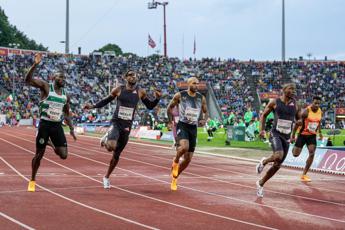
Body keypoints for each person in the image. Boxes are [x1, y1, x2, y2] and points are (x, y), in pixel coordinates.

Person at [83, 70, 162, 189]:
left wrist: (157, 99)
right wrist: (93, 106)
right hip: (116, 122)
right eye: (130, 75)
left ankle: (106, 177)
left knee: (116, 155)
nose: (133, 76)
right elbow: (105, 101)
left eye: (134, 75)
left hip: (127, 126)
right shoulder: (118, 89)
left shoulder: (140, 92)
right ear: (126, 78)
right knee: (111, 146)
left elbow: (149, 106)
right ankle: (107, 138)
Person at [25, 53, 77, 192]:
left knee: (64, 155)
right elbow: (28, 80)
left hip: (56, 126)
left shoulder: (66, 95)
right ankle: (32, 180)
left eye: (64, 77)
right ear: (53, 78)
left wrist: (71, 128)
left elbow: (66, 112)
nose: (62, 79)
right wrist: (35, 65)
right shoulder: (46, 87)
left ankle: (51, 142)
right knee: (39, 155)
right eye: (60, 77)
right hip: (44, 125)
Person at [255, 83, 301, 198]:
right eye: (291, 89)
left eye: (294, 89)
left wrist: (298, 125)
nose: (293, 91)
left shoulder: (296, 105)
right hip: (275, 133)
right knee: (278, 155)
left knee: (277, 164)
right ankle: (264, 161)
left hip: (286, 137)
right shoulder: (274, 102)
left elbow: (299, 119)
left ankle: (261, 183)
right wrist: (262, 130)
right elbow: (264, 116)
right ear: (284, 90)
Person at [167, 77, 208, 191]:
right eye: (194, 83)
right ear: (188, 84)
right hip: (183, 125)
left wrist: (204, 120)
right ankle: (175, 161)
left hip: (193, 128)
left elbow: (206, 111)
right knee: (184, 147)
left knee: (188, 159)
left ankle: (175, 178)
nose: (197, 85)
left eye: (198, 84)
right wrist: (170, 121)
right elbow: (169, 108)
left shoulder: (201, 98)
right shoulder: (180, 95)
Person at [291, 96, 323, 182]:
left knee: (312, 153)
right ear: (312, 102)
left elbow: (319, 122)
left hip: (312, 136)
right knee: (295, 154)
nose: (316, 105)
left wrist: (320, 133)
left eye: (318, 103)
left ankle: (304, 174)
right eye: (315, 103)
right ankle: (294, 147)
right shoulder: (306, 111)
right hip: (302, 135)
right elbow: (297, 124)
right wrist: (293, 136)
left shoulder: (320, 111)